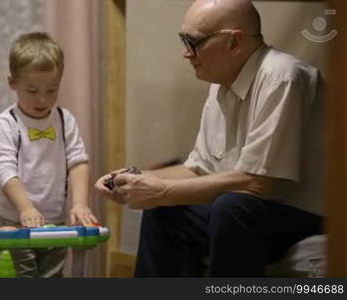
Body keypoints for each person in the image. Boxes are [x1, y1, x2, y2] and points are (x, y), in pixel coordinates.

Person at [95, 0, 324, 277]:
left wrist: (162, 190)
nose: (185, 53)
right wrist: (133, 178)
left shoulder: (281, 77)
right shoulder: (221, 83)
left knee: (231, 207)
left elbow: (258, 182)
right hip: (248, 210)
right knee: (164, 210)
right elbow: (198, 168)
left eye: (193, 42)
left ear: (234, 42)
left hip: (302, 213)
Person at [0, 32, 98, 278]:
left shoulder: (64, 119)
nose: (42, 99)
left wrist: (80, 203)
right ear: (12, 83)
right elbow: (4, 168)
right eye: (32, 90)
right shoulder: (8, 123)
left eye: (52, 90)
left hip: (55, 221)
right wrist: (26, 208)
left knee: (52, 277)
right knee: (23, 277)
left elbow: (78, 162)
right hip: (13, 220)